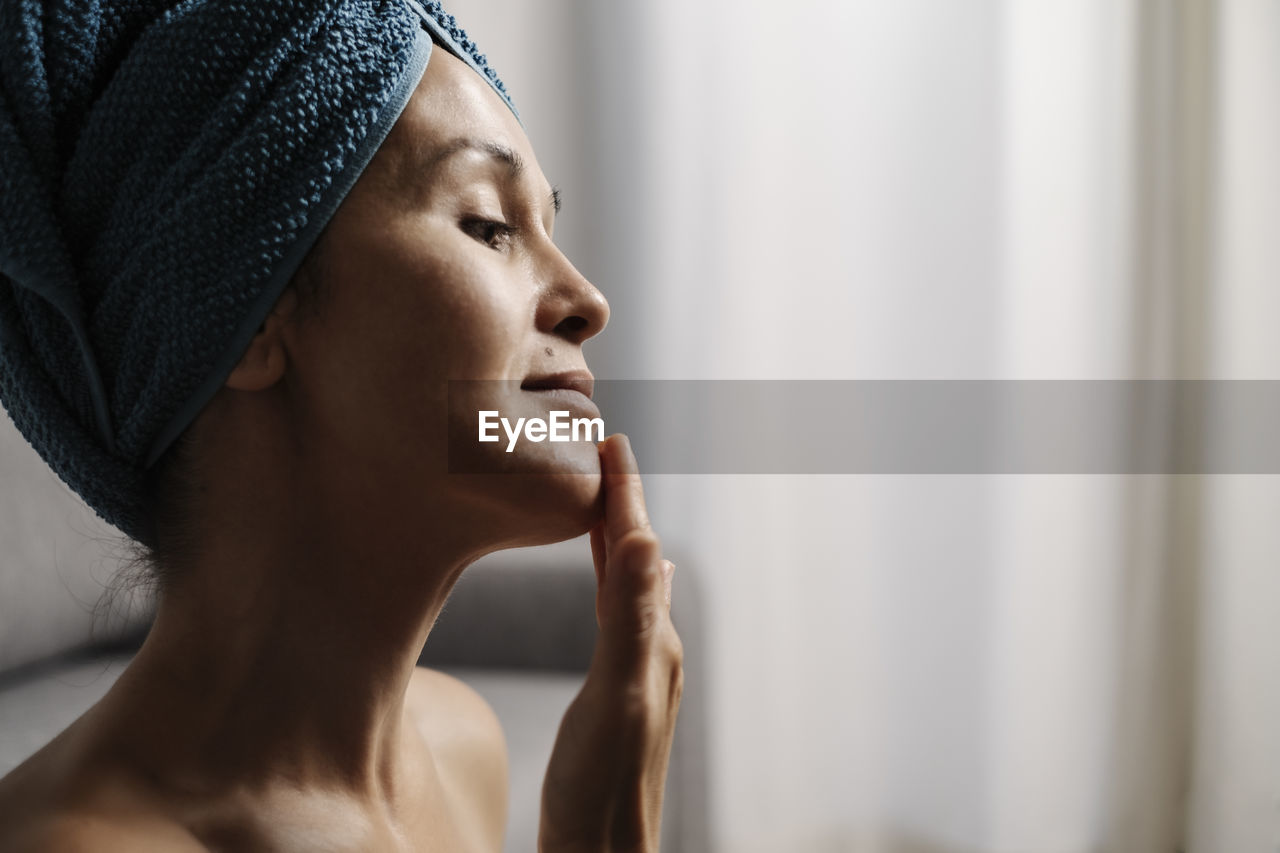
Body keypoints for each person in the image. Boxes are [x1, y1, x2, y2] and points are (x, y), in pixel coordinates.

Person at [0, 1, 683, 850]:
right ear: (245, 318)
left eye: (549, 226)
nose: (589, 302)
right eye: (489, 225)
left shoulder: (463, 749)